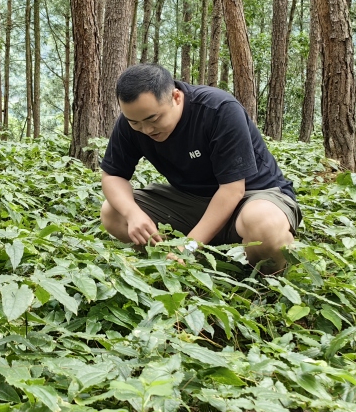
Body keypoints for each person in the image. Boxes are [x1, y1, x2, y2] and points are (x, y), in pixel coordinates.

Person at [99, 64, 300, 273]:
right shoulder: (133, 121)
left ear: (176, 97)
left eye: (153, 119)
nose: (146, 129)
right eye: (135, 123)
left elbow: (233, 190)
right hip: (191, 201)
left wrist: (190, 245)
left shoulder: (218, 109)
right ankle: (174, 263)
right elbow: (112, 175)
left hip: (252, 198)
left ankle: (259, 275)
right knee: (113, 212)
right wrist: (133, 214)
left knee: (265, 225)